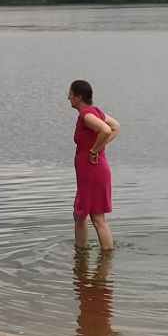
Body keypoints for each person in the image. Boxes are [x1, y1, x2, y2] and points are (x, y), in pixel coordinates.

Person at [67, 79, 119, 250]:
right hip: (94, 170)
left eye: (70, 94)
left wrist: (94, 150)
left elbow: (106, 130)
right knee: (80, 215)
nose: (68, 98)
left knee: (96, 218)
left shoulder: (86, 115)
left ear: (78, 97)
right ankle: (82, 253)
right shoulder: (96, 112)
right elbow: (115, 127)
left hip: (92, 171)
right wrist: (98, 148)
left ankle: (101, 254)